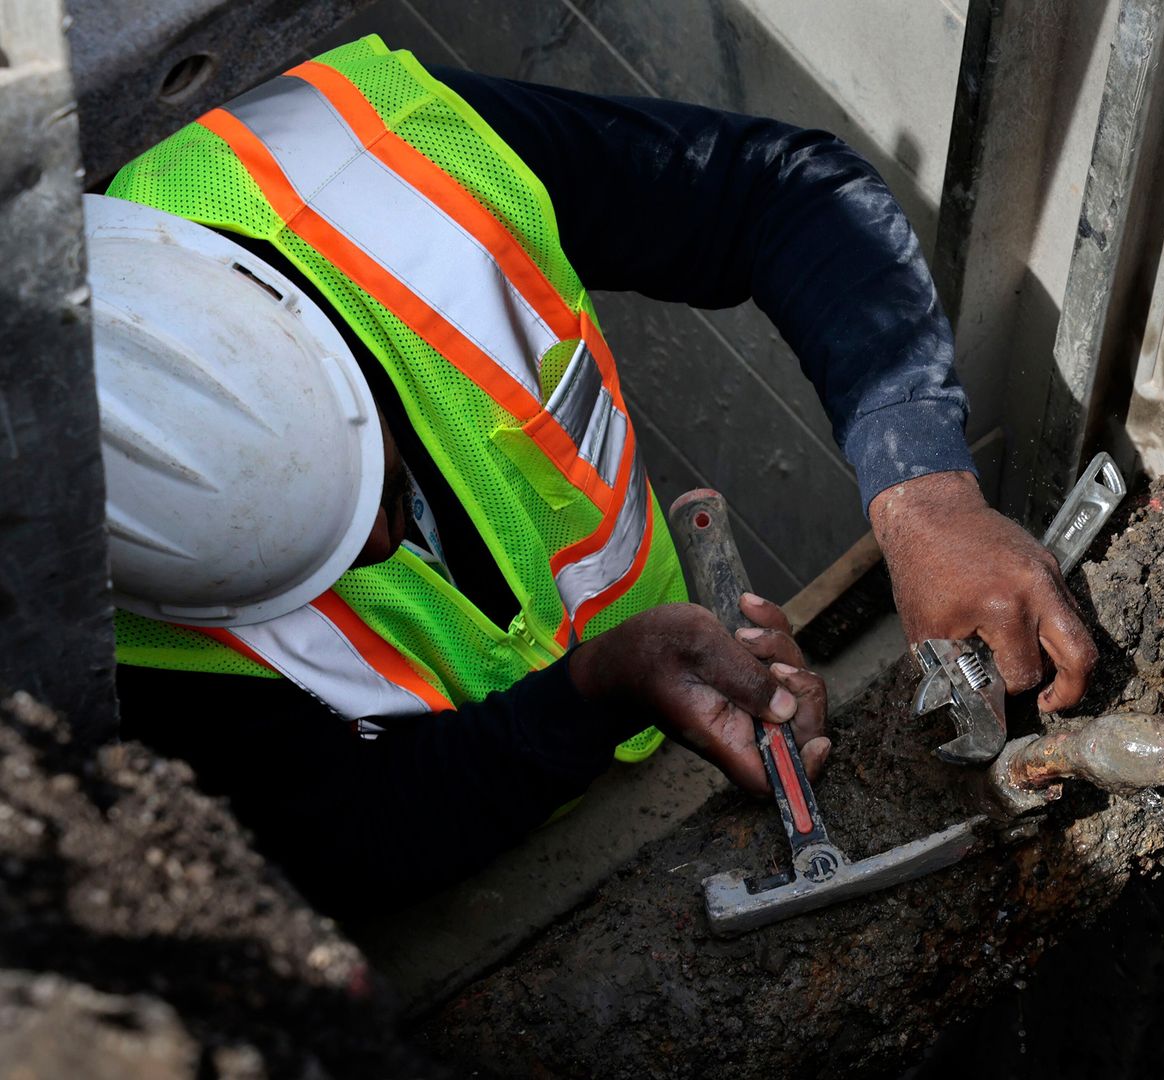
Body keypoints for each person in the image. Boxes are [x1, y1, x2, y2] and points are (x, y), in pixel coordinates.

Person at [95, 36, 1097, 913]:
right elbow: (344, 838)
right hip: (491, 865)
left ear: (330, 361)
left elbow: (787, 196)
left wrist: (923, 494)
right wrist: (592, 698)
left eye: (375, 495)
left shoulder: (390, 168)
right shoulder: (90, 620)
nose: (387, 549)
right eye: (309, 572)